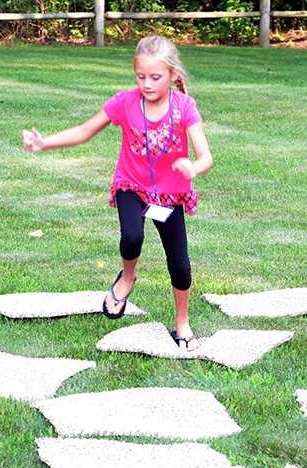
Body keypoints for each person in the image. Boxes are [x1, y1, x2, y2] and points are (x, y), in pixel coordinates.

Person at [22, 36, 213, 350]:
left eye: (156, 77)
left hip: (169, 195)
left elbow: (206, 156)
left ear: (173, 75)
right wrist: (44, 144)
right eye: (141, 77)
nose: (147, 84)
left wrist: (193, 168)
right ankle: (127, 277)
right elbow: (85, 131)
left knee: (179, 264)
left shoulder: (184, 107)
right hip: (132, 185)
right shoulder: (125, 102)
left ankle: (182, 323)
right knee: (132, 237)